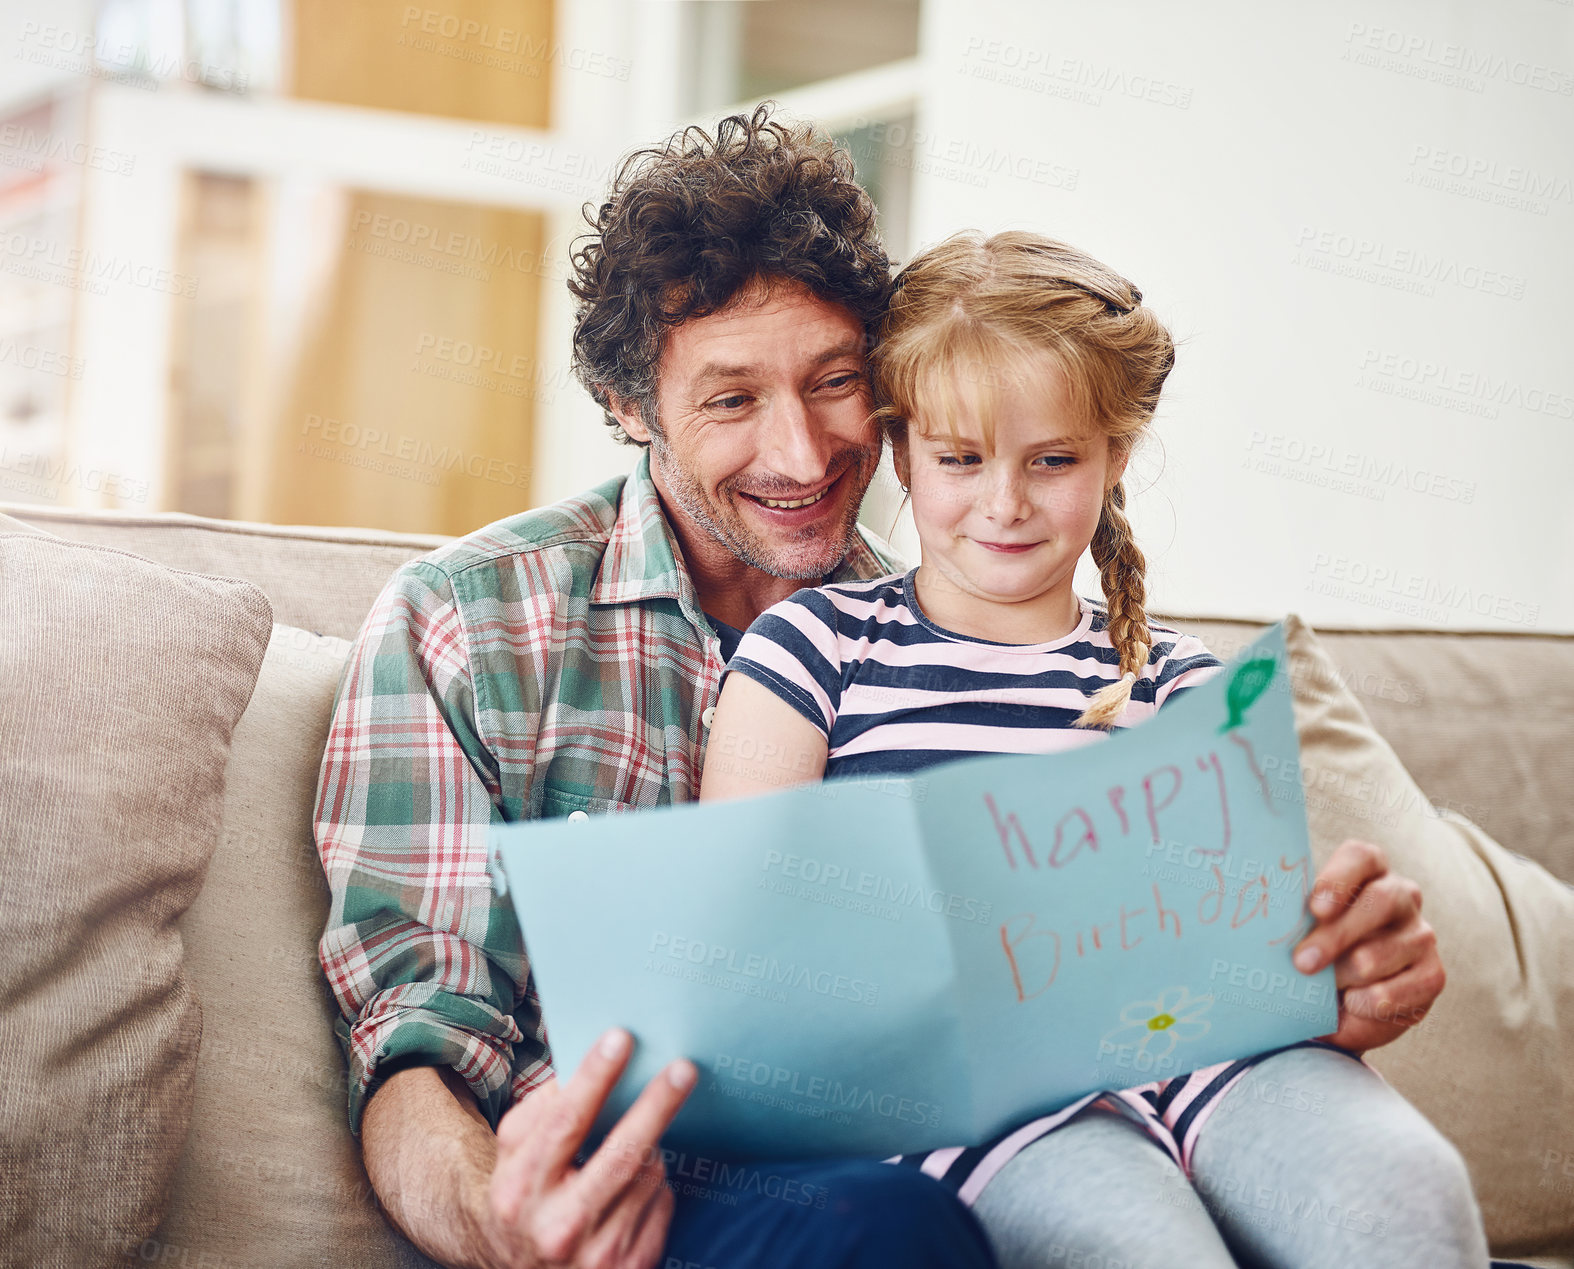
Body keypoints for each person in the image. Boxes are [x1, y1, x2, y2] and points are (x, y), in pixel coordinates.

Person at [699, 229, 1489, 1267]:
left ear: (1114, 455)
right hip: (972, 1082)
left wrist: (1326, 968)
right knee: (1132, 1242)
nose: (1004, 502)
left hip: (1213, 1057)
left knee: (1404, 1199)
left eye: (1053, 460)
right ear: (900, 452)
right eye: (959, 459)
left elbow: (1241, 952)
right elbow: (743, 936)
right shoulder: (816, 647)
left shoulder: (1180, 681)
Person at [313, 107, 998, 1268]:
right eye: (731, 402)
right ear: (630, 409)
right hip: (644, 1205)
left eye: (834, 383)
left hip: (918, 1158)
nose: (802, 454)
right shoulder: (470, 622)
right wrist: (501, 1218)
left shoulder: (955, 632)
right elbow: (415, 1036)